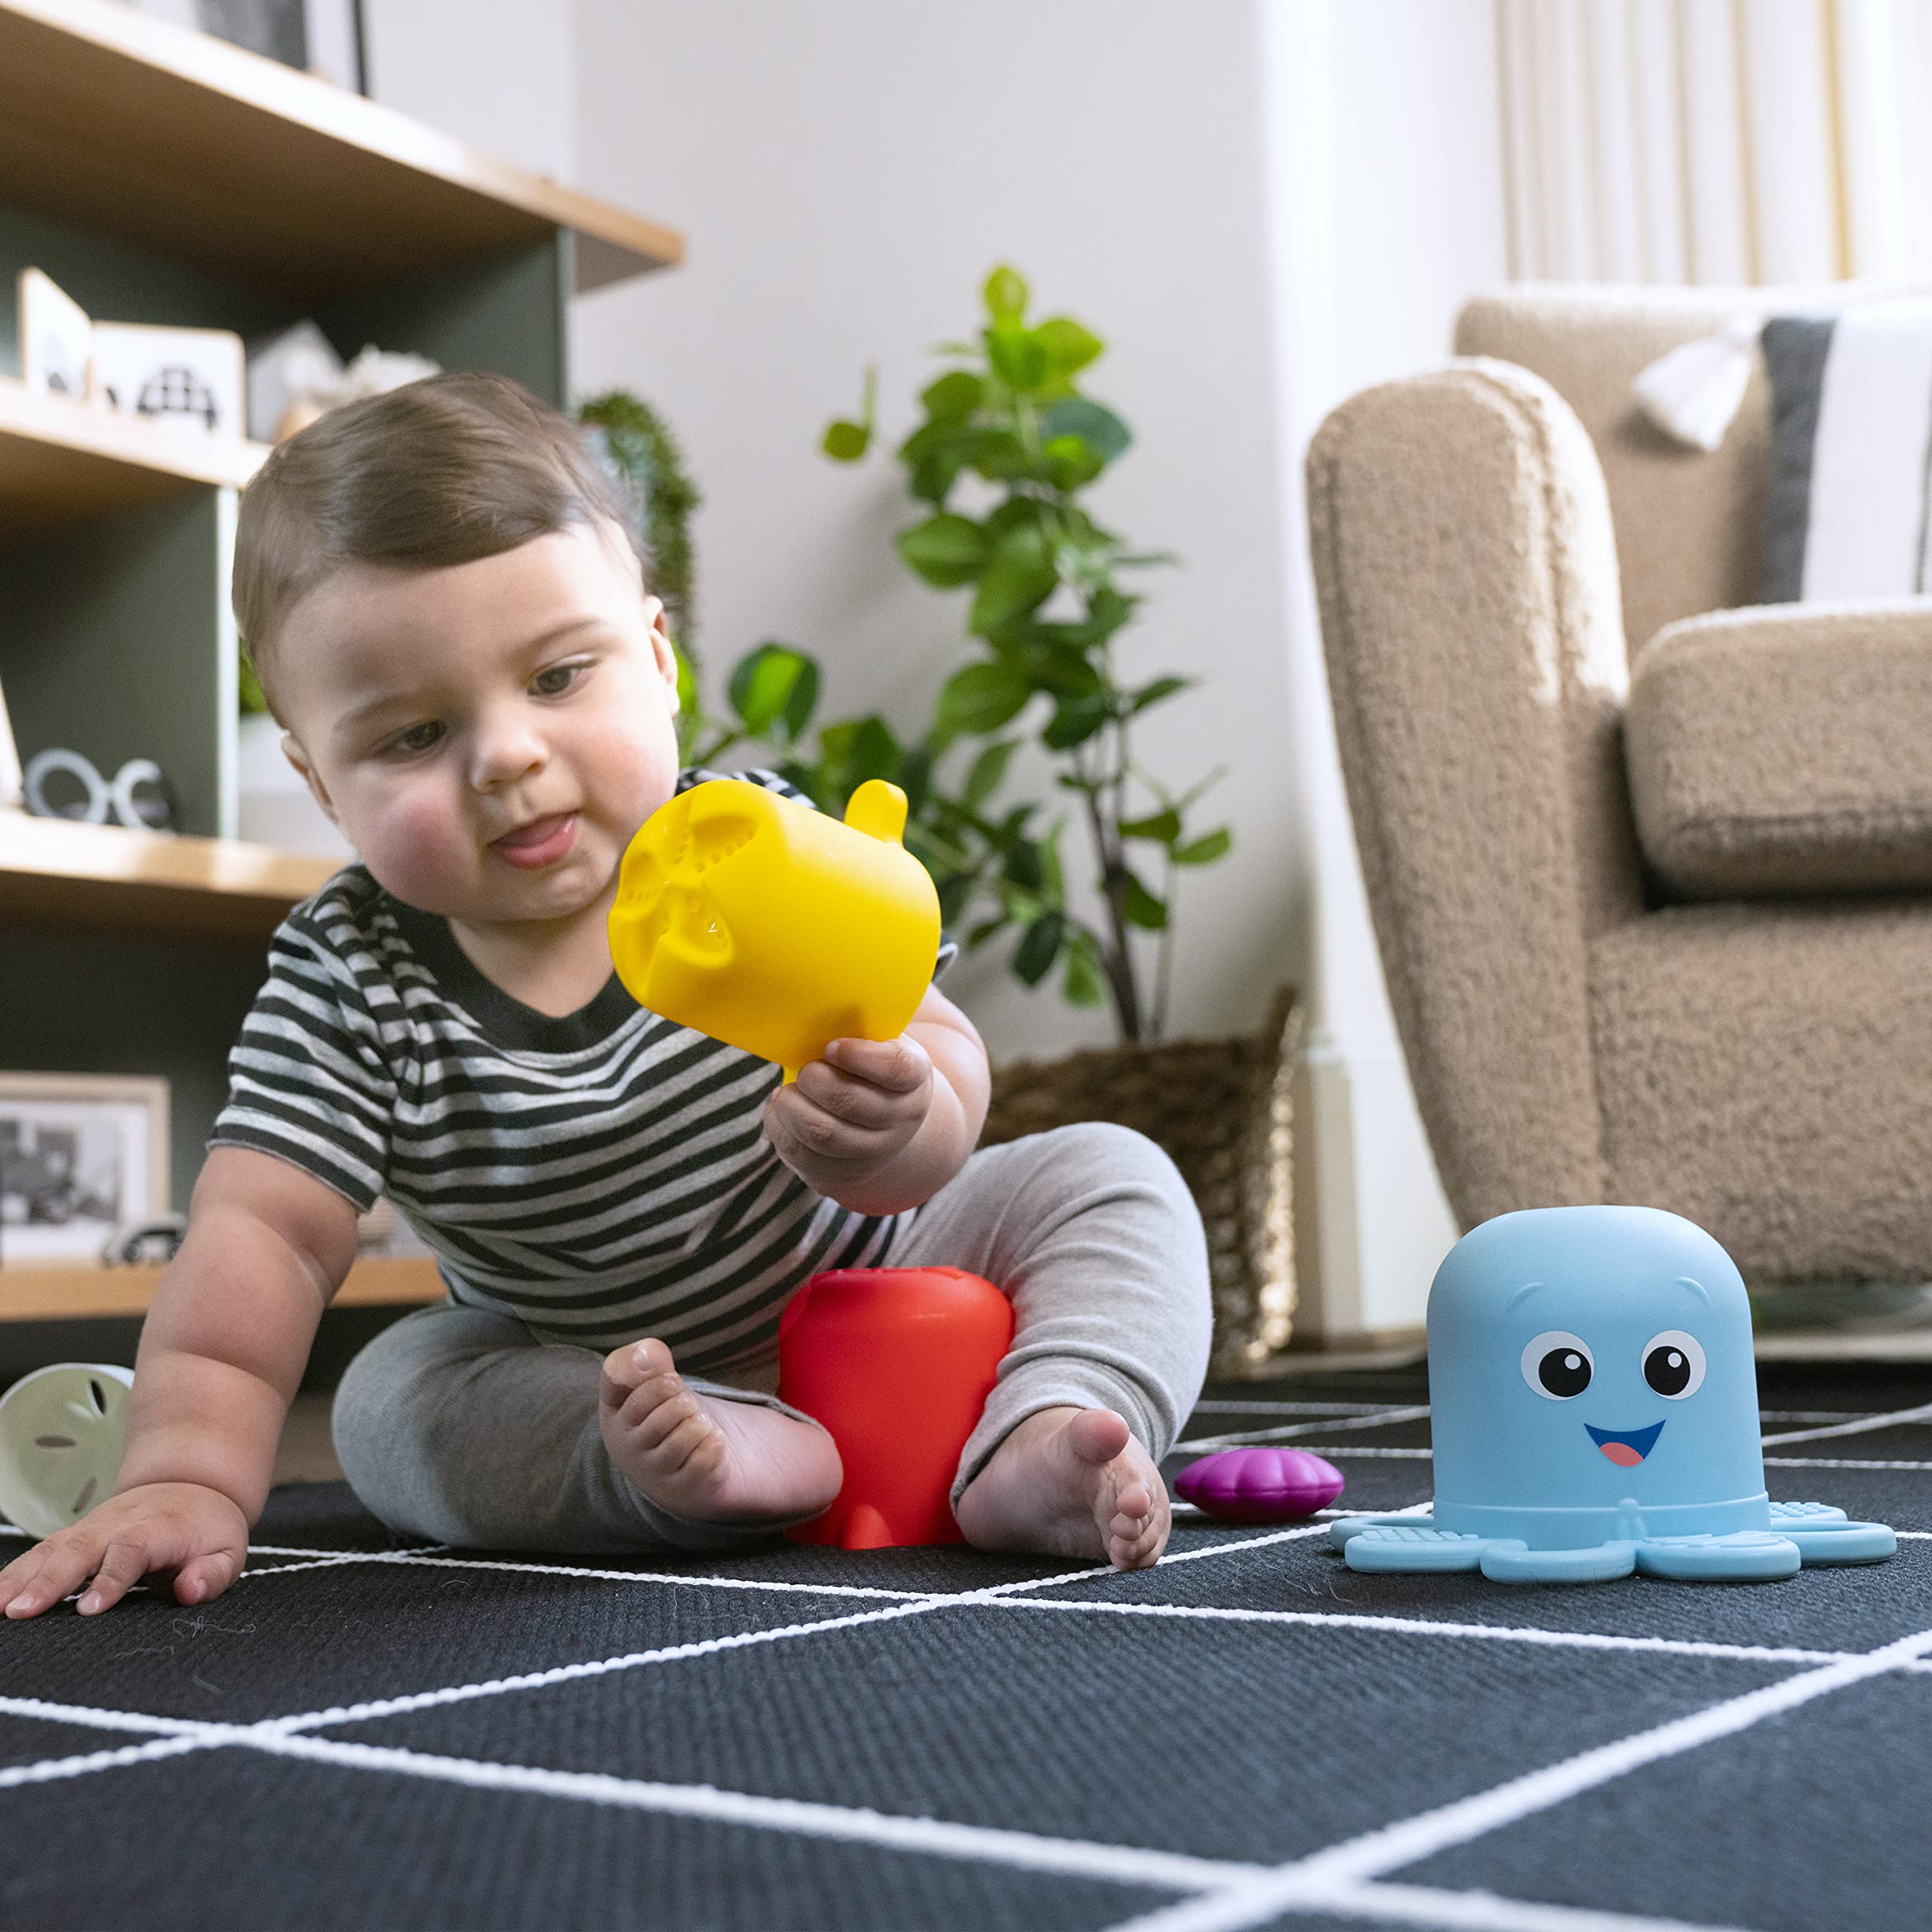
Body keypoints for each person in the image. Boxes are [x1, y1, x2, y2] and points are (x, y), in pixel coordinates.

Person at [0, 374, 1211, 1621]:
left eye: (558, 677)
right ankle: (691, 1472)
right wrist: (185, 1472)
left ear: (658, 657)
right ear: (320, 782)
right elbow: (261, 1238)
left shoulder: (757, 841)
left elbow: (935, 1044)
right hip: (600, 1371)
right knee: (387, 1400)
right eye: (413, 737)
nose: (507, 757)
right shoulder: (351, 973)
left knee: (1108, 1177)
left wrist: (910, 1126)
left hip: (893, 1280)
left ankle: (1052, 1428)